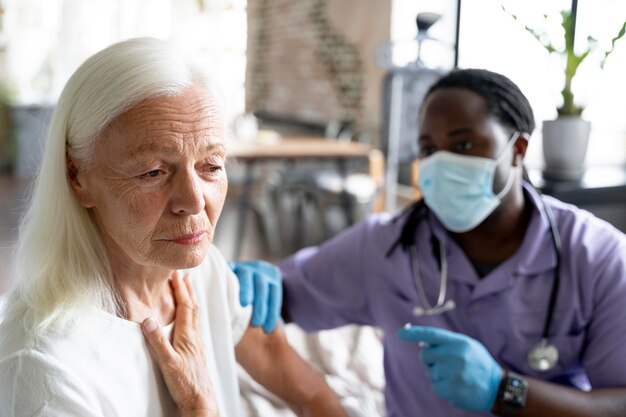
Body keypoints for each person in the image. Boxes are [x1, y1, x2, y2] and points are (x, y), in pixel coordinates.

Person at [231, 68, 626, 416]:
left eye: (464, 145)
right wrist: (250, 281)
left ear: (517, 150)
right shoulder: (385, 246)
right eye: (428, 150)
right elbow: (274, 297)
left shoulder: (598, 256)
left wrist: (504, 391)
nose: (440, 163)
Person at [0, 37, 348, 417]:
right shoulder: (45, 371)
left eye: (211, 166)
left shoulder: (204, 272)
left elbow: (313, 397)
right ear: (77, 176)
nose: (195, 201)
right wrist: (201, 407)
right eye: (153, 172)